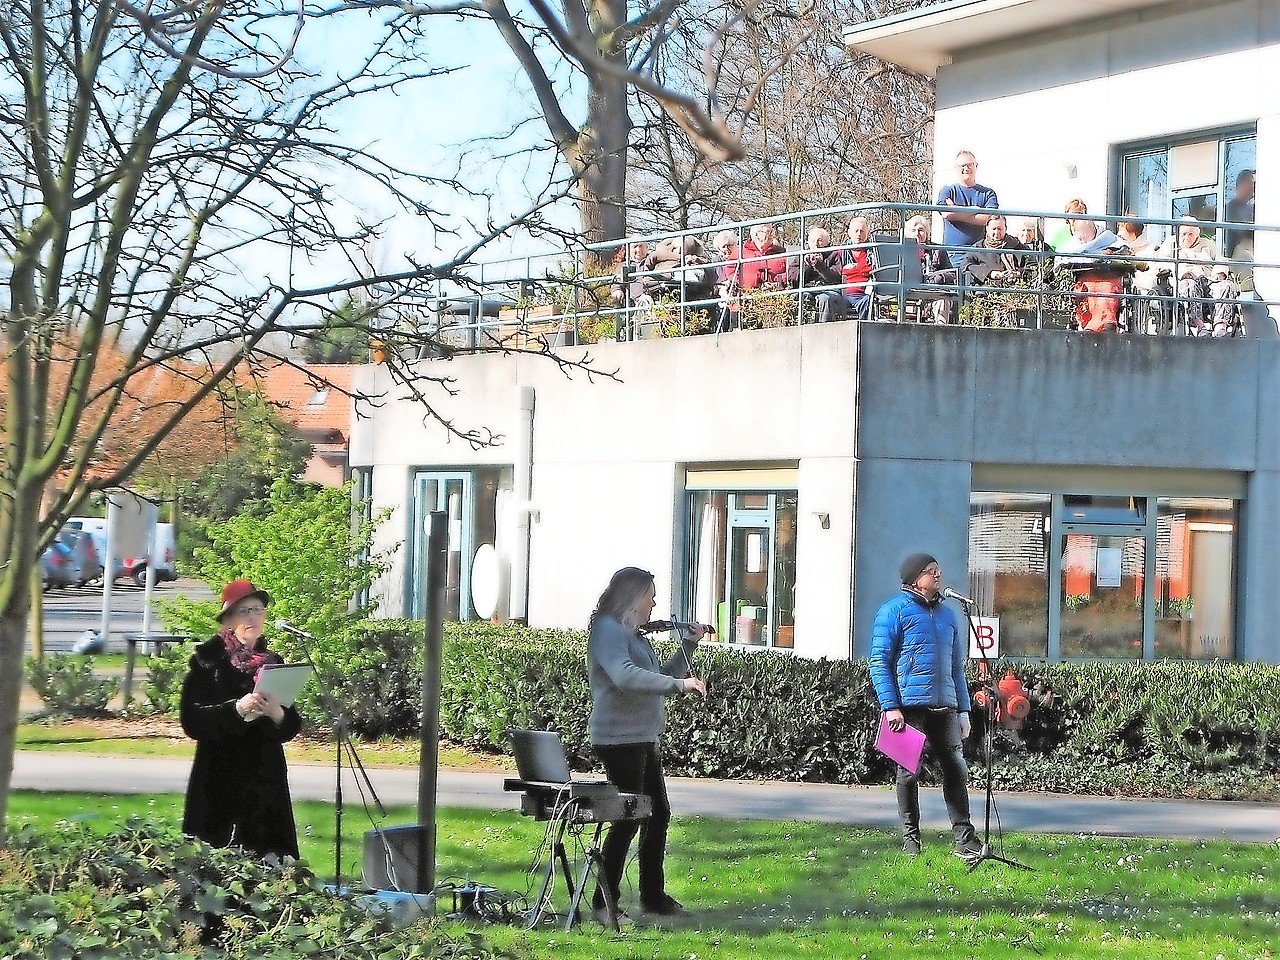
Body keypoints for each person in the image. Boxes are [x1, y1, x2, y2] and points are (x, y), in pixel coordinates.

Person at [588, 567, 707, 923]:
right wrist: (682, 687)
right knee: (628, 819)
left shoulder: (634, 635)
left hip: (642, 737)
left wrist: (689, 644)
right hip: (618, 739)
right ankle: (602, 905)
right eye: (650, 595)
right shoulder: (607, 630)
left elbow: (663, 675)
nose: (654, 602)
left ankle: (652, 897)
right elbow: (625, 676)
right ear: (634, 596)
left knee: (656, 815)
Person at [868, 553, 980, 861]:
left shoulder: (948, 615)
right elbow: (879, 662)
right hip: (906, 708)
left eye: (939, 570)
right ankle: (911, 840)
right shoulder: (893, 612)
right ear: (915, 578)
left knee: (956, 769)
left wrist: (963, 710)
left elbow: (957, 667)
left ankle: (965, 839)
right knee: (908, 773)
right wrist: (891, 706)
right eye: (931, 571)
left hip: (945, 706)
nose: (938, 575)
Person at [181, 579, 302, 860]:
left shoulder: (274, 662)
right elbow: (192, 720)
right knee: (218, 869)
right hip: (220, 782)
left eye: (258, 610)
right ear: (228, 619)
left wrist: (277, 714)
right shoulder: (207, 662)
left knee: (271, 868)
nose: (252, 618)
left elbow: (291, 725)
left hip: (265, 785)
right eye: (244, 611)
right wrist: (235, 709)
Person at [1149, 218, 1240, 336]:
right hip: (1184, 280)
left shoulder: (1207, 244)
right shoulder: (1171, 244)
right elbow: (1161, 263)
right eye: (1183, 234)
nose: (1186, 237)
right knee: (1189, 285)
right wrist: (1181, 272)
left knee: (1227, 286)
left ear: (1197, 234)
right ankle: (1198, 325)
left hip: (1208, 280)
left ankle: (1220, 327)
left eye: (1190, 234)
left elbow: (1220, 259)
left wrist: (1220, 272)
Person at [1055, 218, 1132, 333]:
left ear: (1094, 232)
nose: (1084, 242)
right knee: (1086, 291)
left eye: (1086, 237)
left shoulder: (1110, 240)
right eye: (1080, 238)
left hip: (1109, 277)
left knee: (1108, 290)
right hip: (1085, 279)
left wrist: (1110, 253)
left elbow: (1124, 250)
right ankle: (1094, 323)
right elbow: (1061, 262)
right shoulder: (1071, 246)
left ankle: (1107, 321)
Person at [937, 150, 999, 268]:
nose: (967, 168)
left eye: (970, 164)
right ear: (956, 168)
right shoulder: (948, 191)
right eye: (963, 165)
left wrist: (956, 210)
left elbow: (989, 219)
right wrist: (975, 209)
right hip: (952, 255)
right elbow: (946, 214)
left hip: (980, 254)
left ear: (976, 166)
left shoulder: (988, 193)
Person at [795, 226, 846, 323]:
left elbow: (835, 277)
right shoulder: (801, 256)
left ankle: (824, 330)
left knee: (825, 298)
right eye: (813, 241)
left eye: (820, 240)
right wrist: (807, 265)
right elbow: (793, 278)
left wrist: (820, 266)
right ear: (808, 243)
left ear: (826, 243)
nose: (816, 244)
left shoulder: (833, 254)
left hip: (829, 289)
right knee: (802, 297)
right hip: (808, 289)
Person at [840, 216, 875, 320]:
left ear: (867, 233)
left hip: (863, 294)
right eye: (856, 231)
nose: (859, 234)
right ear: (849, 232)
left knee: (869, 301)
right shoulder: (841, 252)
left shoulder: (872, 254)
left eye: (862, 231)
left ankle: (862, 331)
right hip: (844, 293)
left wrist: (855, 269)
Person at [739, 223, 791, 292]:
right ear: (756, 234)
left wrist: (778, 282)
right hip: (748, 296)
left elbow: (790, 272)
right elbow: (731, 274)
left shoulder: (781, 252)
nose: (772, 234)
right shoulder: (741, 254)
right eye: (768, 232)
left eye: (772, 231)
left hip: (777, 295)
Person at [712, 230, 743, 331]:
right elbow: (720, 279)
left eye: (730, 245)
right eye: (724, 246)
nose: (727, 249)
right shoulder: (717, 260)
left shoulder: (740, 257)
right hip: (724, 291)